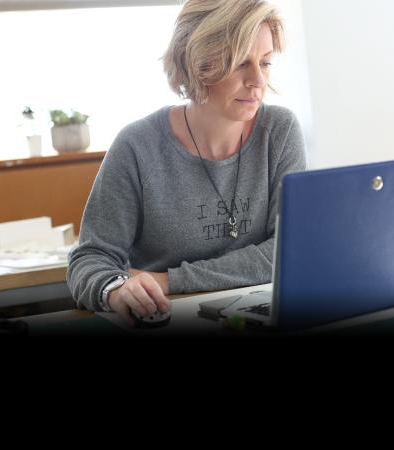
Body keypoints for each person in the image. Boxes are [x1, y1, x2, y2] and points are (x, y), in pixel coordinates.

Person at [67, 0, 307, 327]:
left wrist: (168, 280)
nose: (258, 81)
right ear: (196, 63)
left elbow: (287, 252)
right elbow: (91, 259)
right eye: (240, 64)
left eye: (264, 63)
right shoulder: (137, 146)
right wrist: (116, 289)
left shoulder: (279, 131)